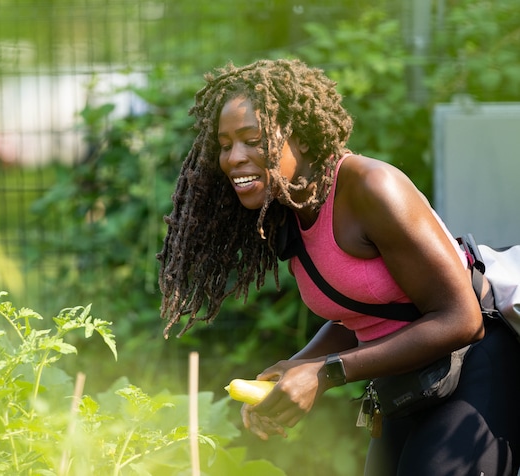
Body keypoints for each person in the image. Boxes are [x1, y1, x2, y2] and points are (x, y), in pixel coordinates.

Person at [156, 58, 520, 475]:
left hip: (473, 368)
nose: (235, 157)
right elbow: (364, 313)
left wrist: (324, 374)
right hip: (406, 383)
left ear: (303, 140)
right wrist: (296, 369)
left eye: (252, 139)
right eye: (225, 144)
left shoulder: (370, 188)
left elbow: (462, 320)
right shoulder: (289, 210)